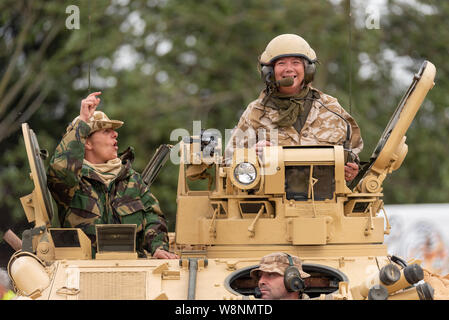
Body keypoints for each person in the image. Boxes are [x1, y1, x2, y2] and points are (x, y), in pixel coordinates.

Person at [47, 92, 178, 259]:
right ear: (87, 142)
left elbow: (152, 216)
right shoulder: (74, 183)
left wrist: (158, 247)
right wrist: (82, 123)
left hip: (132, 270)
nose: (115, 134)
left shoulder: (131, 180)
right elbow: (60, 171)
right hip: (82, 273)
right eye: (106, 131)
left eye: (113, 131)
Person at [225, 34, 363, 182]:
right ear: (269, 72)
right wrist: (251, 155)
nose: (289, 69)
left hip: (326, 202)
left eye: (296, 62)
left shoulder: (331, 108)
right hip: (270, 202)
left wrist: (352, 170)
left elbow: (353, 154)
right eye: (281, 64)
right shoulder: (256, 112)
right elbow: (228, 163)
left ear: (308, 69)